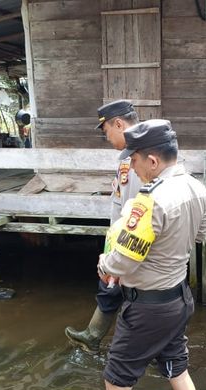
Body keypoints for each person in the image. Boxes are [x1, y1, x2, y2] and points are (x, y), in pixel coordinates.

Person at [71, 119, 206, 390]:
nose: (130, 167)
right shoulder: (197, 188)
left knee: (116, 380)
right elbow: (200, 235)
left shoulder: (149, 201)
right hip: (178, 297)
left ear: (152, 160)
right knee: (178, 371)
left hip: (148, 306)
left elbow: (124, 259)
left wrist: (105, 262)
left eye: (134, 160)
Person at [65, 100, 143, 353]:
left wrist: (118, 253)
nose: (106, 138)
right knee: (113, 285)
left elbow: (134, 210)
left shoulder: (139, 157)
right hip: (121, 233)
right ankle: (95, 335)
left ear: (119, 124)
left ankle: (104, 339)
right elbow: (119, 202)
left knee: (124, 287)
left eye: (106, 131)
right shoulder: (126, 157)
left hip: (135, 238)